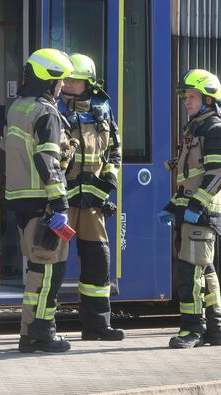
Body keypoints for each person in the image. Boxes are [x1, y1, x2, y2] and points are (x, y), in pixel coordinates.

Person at [4, 48, 74, 353]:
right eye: (59, 82)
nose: (62, 87)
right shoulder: (45, 113)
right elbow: (47, 159)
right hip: (43, 202)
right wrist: (59, 202)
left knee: (36, 267)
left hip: (21, 201)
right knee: (48, 270)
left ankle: (29, 334)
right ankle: (42, 332)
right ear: (48, 81)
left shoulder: (17, 107)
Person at [158, 69, 221, 349]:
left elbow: (218, 173)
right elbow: (187, 178)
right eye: (186, 97)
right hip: (190, 212)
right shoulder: (194, 129)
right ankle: (215, 330)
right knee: (205, 270)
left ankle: (193, 330)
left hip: (201, 213)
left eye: (192, 96)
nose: (186, 102)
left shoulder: (214, 129)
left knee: (191, 274)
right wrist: (172, 206)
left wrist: (197, 204)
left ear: (209, 100)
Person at [57, 53, 124, 341]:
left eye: (74, 79)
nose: (68, 82)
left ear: (88, 82)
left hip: (94, 204)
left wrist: (108, 180)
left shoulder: (103, 110)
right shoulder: (55, 108)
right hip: (61, 203)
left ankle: (98, 326)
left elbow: (115, 153)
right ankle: (45, 329)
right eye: (66, 78)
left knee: (98, 262)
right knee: (53, 261)